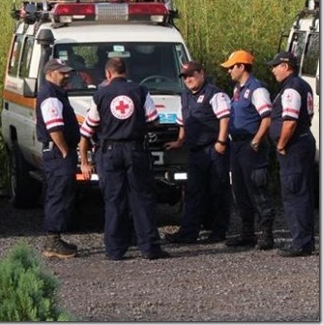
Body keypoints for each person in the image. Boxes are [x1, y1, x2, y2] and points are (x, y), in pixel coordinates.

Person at [79, 57, 169, 260]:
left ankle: (114, 250)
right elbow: (154, 120)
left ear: (108, 74)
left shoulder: (100, 95)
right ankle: (149, 248)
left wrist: (85, 160)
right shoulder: (140, 91)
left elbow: (88, 128)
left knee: (113, 200)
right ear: (126, 72)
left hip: (109, 151)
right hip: (135, 149)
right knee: (142, 198)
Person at [164, 61, 231, 244]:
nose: (188, 79)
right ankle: (188, 233)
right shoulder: (185, 96)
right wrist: (179, 141)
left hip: (214, 149)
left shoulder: (215, 94)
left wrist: (221, 142)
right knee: (193, 193)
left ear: (202, 73)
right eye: (185, 76)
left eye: (191, 75)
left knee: (218, 191)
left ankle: (219, 231)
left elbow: (224, 118)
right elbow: (183, 121)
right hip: (196, 151)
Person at [220, 50, 275, 250]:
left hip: (251, 146)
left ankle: (267, 235)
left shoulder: (257, 89)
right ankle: (247, 233)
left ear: (241, 67)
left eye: (231, 67)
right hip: (237, 146)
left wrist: (256, 140)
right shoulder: (237, 89)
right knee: (240, 191)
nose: (228, 71)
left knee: (257, 189)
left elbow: (266, 118)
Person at [267, 52, 316, 257]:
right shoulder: (300, 85)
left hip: (293, 147)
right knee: (300, 192)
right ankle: (303, 240)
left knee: (295, 193)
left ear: (286, 66)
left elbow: (290, 121)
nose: (272, 70)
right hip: (301, 143)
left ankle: (301, 243)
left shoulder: (292, 89)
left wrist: (280, 144)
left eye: (275, 66)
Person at [36, 58, 81, 258]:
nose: (67, 75)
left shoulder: (55, 93)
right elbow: (54, 127)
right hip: (57, 153)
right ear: (50, 73)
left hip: (56, 152)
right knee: (59, 194)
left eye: (67, 72)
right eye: (62, 72)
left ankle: (55, 238)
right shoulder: (51, 95)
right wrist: (64, 150)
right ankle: (53, 241)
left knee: (61, 193)